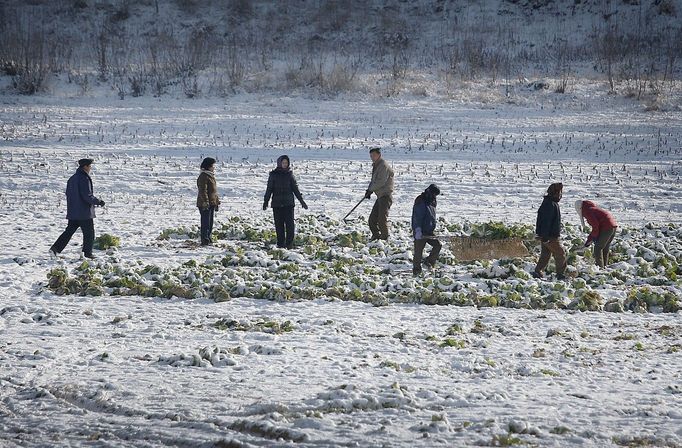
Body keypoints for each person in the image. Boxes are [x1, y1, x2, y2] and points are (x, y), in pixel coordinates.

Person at [49, 158, 105, 259]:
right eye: (89, 166)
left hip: (73, 211)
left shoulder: (72, 178)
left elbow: (69, 194)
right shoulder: (84, 178)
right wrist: (98, 202)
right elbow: (87, 195)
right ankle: (87, 253)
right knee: (89, 233)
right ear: (85, 167)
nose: (90, 168)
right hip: (84, 212)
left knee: (69, 232)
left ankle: (55, 249)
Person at [263, 155, 308, 249]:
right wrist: (266, 201)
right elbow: (269, 189)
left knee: (290, 225)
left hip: (288, 204)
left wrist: (301, 201)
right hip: (277, 204)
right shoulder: (273, 175)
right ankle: (280, 244)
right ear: (279, 163)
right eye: (283, 163)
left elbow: (295, 189)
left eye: (286, 163)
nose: (285, 164)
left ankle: (289, 244)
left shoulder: (289, 175)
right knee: (279, 226)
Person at [533, 182, 566, 280]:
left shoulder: (549, 202)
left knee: (546, 254)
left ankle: (538, 271)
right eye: (559, 193)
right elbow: (546, 221)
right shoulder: (550, 204)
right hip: (550, 236)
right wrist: (545, 237)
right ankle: (560, 274)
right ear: (554, 193)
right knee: (560, 254)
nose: (560, 195)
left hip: (546, 235)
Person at [575, 200, 618, 267]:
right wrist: (591, 239)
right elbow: (597, 227)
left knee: (598, 248)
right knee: (604, 248)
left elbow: (595, 226)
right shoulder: (592, 209)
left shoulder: (588, 211)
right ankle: (604, 267)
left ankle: (600, 268)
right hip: (613, 227)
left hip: (607, 227)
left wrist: (590, 239)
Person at [411, 184, 442, 276]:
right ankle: (416, 271)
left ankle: (428, 262)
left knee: (437, 245)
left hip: (429, 231)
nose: (434, 196)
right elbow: (417, 216)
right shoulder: (421, 200)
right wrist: (417, 229)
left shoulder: (432, 201)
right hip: (420, 230)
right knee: (418, 252)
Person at [364, 147, 394, 241]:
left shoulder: (383, 166)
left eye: (374, 155)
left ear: (379, 155)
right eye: (371, 156)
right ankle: (376, 236)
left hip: (385, 196)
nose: (372, 157)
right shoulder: (376, 166)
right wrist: (369, 190)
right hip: (380, 196)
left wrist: (371, 189)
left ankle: (384, 238)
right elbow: (374, 181)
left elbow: (381, 181)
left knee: (381, 220)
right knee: (372, 219)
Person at [197, 157, 220, 246]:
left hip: (211, 203)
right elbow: (203, 190)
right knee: (205, 222)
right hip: (205, 203)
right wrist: (205, 202)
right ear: (209, 166)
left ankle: (208, 237)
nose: (214, 167)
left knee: (210, 222)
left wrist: (216, 201)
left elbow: (214, 191)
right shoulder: (203, 176)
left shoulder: (210, 175)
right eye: (213, 165)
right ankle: (204, 239)